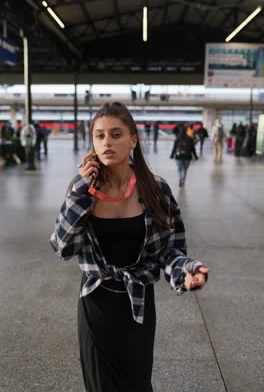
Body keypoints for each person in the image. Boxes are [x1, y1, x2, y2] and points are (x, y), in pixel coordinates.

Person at [50, 102, 209, 392]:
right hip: (96, 302)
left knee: (137, 383)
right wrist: (85, 192)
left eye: (115, 134)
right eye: (99, 136)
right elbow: (62, 246)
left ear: (133, 139)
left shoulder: (155, 189)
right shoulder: (82, 188)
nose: (106, 142)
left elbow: (170, 250)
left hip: (138, 303)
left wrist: (186, 271)